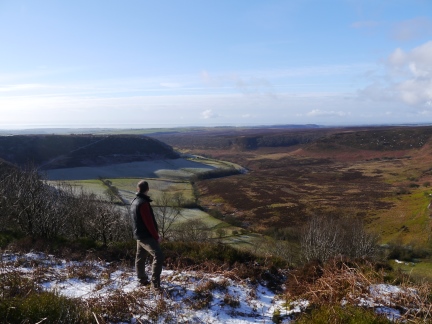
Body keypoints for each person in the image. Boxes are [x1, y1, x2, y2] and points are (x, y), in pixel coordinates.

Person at [130, 180, 164, 289]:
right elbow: (149, 223)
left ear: (137, 189)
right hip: (146, 236)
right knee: (158, 255)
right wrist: (156, 237)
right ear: (148, 189)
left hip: (138, 235)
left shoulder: (134, 201)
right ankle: (155, 286)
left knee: (140, 257)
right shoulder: (143, 203)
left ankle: (142, 280)